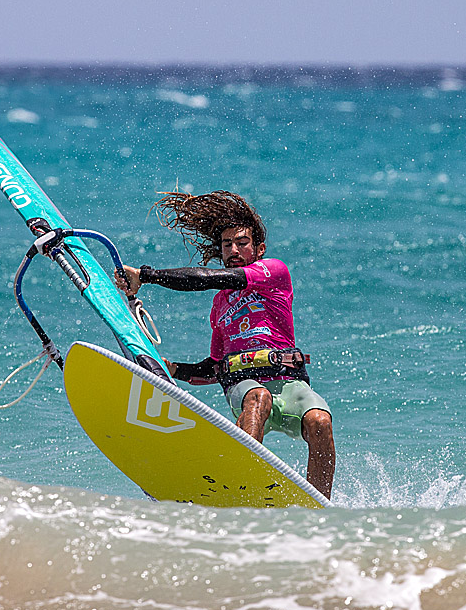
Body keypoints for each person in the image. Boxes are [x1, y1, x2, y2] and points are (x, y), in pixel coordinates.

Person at [114, 190, 335, 499]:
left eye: (241, 243)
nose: (233, 249)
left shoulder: (274, 272)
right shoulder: (219, 306)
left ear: (259, 248)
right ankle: (242, 486)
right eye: (226, 244)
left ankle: (320, 506)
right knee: (258, 398)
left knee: (319, 421)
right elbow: (215, 366)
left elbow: (209, 278)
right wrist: (174, 369)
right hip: (245, 388)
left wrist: (146, 275)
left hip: (288, 383)